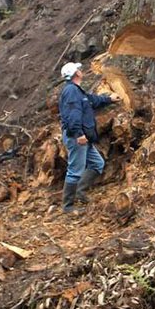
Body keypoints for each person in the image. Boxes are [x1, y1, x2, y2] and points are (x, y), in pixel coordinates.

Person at [59, 62, 121, 213]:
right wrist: (79, 134)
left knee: (97, 163)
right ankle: (67, 206)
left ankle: (80, 192)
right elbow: (72, 115)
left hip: (84, 137)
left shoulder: (77, 91)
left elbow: (91, 100)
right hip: (77, 137)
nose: (81, 70)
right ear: (76, 73)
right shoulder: (71, 91)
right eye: (78, 69)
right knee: (75, 170)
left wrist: (109, 99)